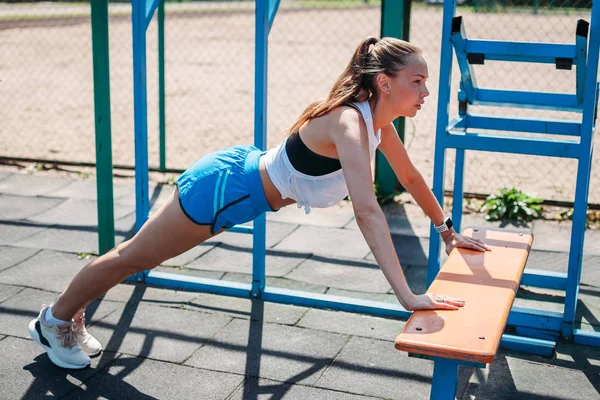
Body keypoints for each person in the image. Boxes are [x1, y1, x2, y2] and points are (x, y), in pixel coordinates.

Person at [28, 36, 490, 369]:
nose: (426, 92)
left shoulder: (378, 125)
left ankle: (64, 316)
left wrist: (447, 230)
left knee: (130, 258)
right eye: (417, 81)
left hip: (239, 188)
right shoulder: (350, 124)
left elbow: (409, 177)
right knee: (130, 259)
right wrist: (406, 294)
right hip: (224, 189)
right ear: (385, 83)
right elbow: (367, 211)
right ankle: (54, 320)